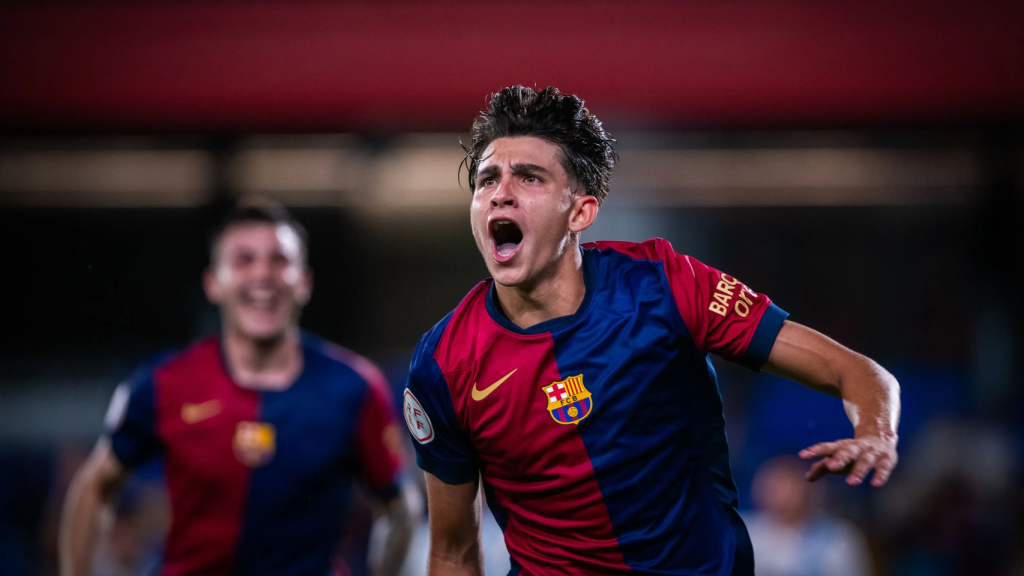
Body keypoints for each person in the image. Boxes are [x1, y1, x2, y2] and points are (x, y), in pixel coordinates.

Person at [402, 86, 900, 576]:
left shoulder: (665, 285)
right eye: (487, 179)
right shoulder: (443, 363)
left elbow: (855, 371)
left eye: (529, 178)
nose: (501, 194)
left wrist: (875, 432)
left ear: (580, 212)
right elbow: (453, 553)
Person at [60, 199, 413, 576]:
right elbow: (93, 487)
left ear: (305, 282)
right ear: (213, 283)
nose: (262, 274)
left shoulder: (355, 388)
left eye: (279, 260)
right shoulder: (163, 382)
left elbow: (399, 509)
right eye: (244, 260)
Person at [744, 456, 872, 576]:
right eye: (773, 485)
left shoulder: (839, 537)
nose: (778, 494)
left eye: (788, 485)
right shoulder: (742, 531)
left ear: (807, 490)